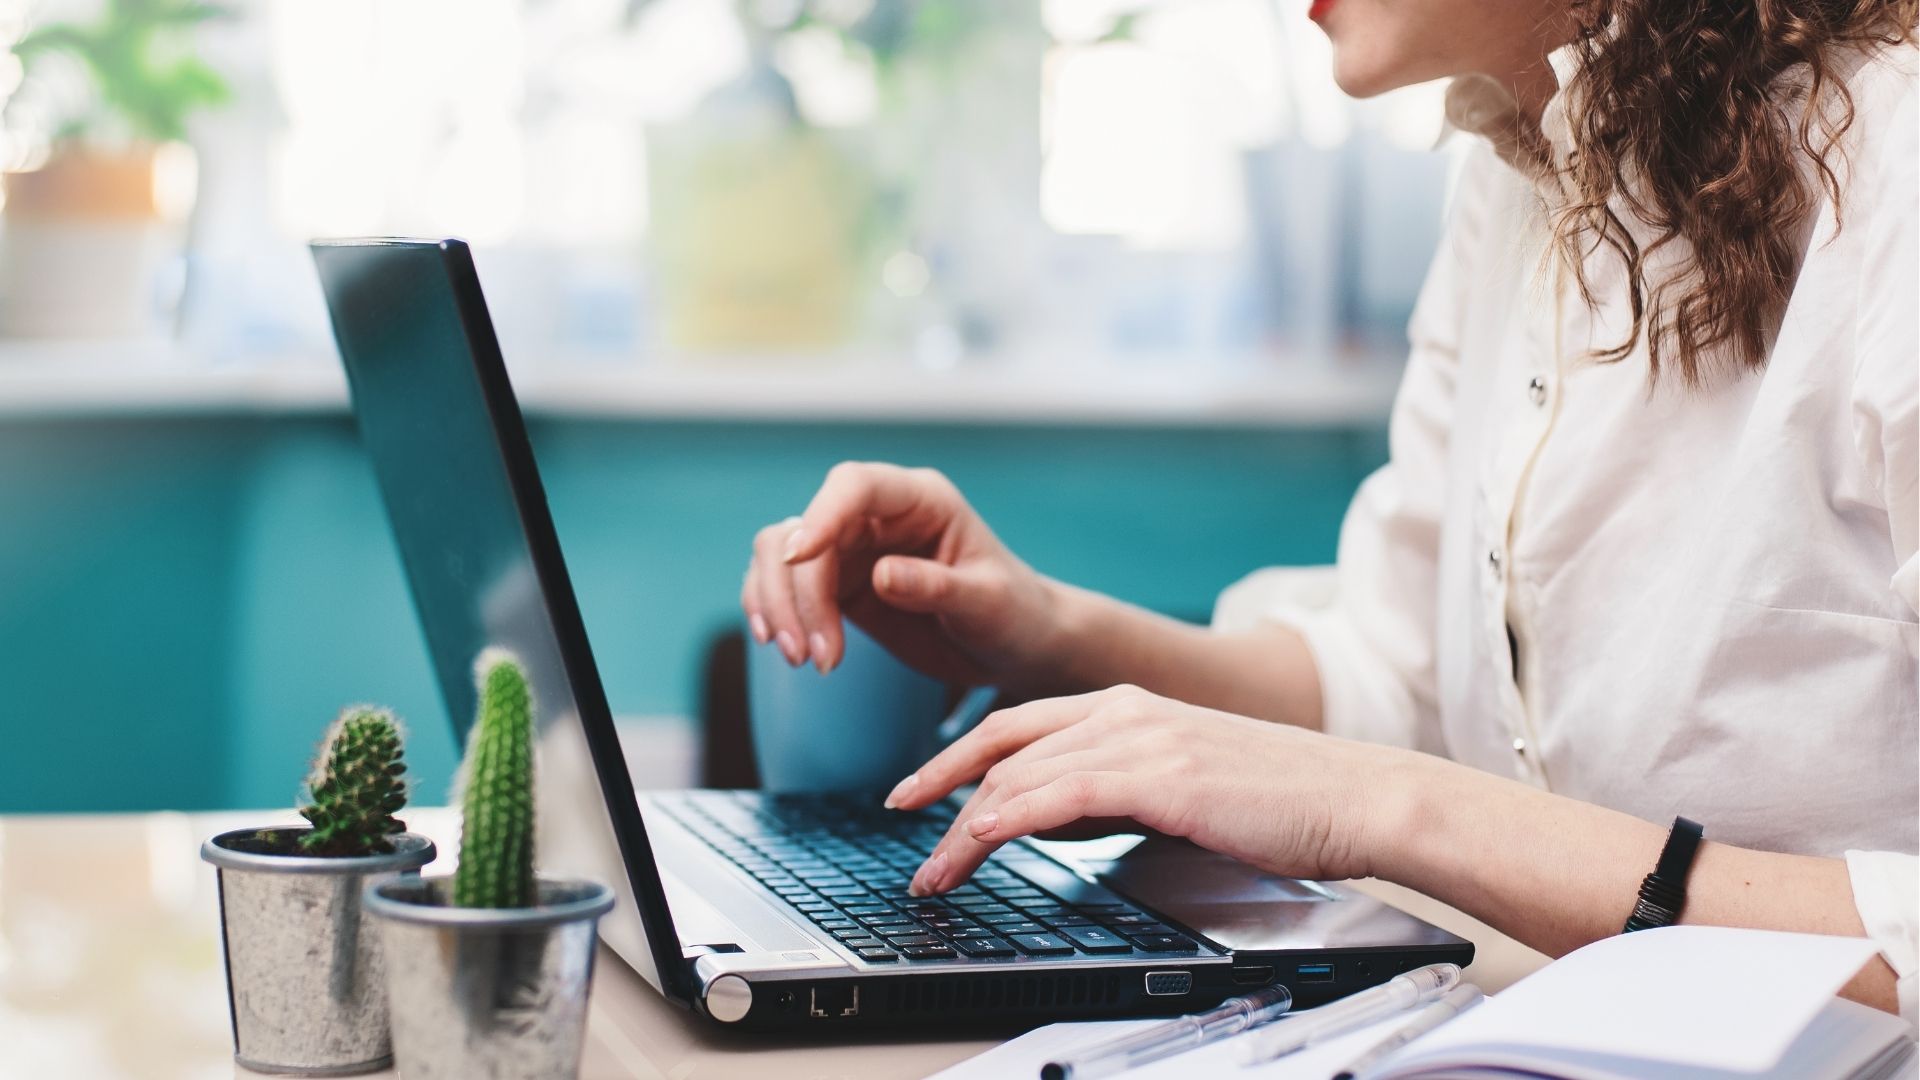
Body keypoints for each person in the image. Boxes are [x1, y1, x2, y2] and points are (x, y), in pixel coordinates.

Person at [740, 0, 1919, 1018]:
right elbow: (1396, 678)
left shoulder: (1897, 170)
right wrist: (1046, 634)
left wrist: (1394, 810)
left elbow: (1381, 774)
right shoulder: (1520, 179)